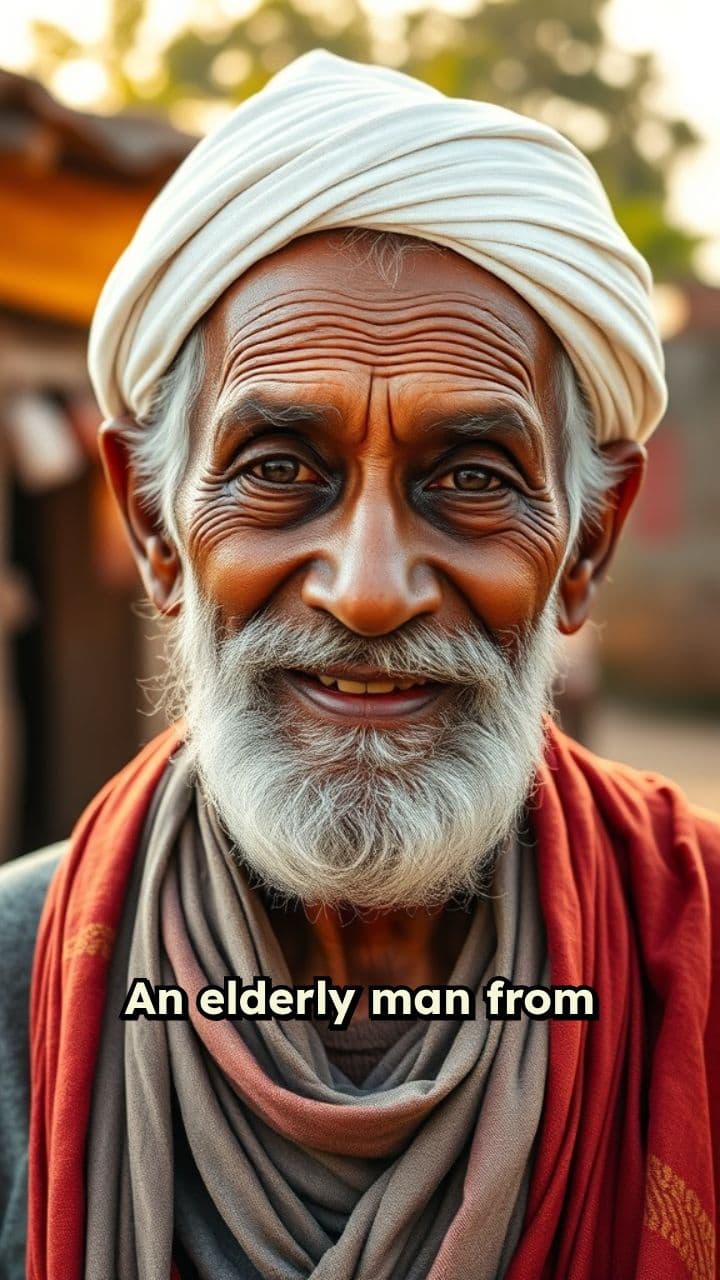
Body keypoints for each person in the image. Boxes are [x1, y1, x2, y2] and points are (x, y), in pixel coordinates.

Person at [0, 50, 718, 1280]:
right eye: (281, 468)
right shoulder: (16, 985)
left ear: (588, 545)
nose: (372, 587)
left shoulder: (695, 960)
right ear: (157, 526)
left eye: (473, 478)